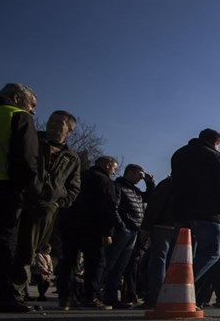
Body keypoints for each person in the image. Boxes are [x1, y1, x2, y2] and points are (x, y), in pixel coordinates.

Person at [12, 110, 80, 301]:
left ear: (69, 129)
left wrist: (57, 203)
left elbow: (74, 187)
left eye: (59, 122)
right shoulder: (33, 141)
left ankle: (16, 293)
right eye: (51, 120)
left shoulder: (71, 158)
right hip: (21, 198)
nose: (53, 124)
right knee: (7, 243)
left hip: (46, 207)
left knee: (28, 250)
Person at [0, 83, 39, 313]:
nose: (34, 111)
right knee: (1, 244)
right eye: (32, 104)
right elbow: (25, 160)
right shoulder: (18, 116)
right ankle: (0, 296)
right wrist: (24, 189)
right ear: (15, 98)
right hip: (1, 188)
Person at [170, 128, 220, 284]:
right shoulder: (214, 156)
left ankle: (169, 285)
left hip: (181, 210)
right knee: (211, 252)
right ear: (216, 142)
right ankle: (183, 285)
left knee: (181, 254)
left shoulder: (179, 154)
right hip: (206, 211)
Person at [56, 156, 120, 309]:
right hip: (92, 227)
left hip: (70, 223)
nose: (114, 172)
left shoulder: (80, 176)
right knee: (96, 262)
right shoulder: (104, 181)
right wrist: (107, 232)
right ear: (108, 165)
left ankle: (66, 297)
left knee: (68, 260)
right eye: (114, 168)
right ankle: (90, 296)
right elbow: (108, 208)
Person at [102, 164, 154, 308]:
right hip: (123, 229)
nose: (140, 178)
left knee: (120, 266)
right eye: (139, 175)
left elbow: (148, 198)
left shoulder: (135, 190)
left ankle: (111, 297)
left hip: (134, 230)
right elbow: (113, 207)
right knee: (110, 263)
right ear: (129, 172)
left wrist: (150, 184)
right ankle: (96, 294)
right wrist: (120, 225)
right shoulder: (118, 186)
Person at [139, 176, 175, 308]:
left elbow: (154, 205)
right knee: (171, 264)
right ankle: (169, 298)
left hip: (162, 225)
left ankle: (155, 297)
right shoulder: (189, 186)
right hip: (180, 228)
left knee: (158, 262)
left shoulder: (167, 183)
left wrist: (146, 228)